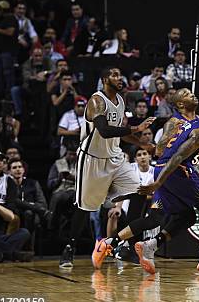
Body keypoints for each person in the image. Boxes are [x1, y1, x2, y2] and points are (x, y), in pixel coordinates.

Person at [59, 67, 155, 268]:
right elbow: (103, 130)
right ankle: (69, 247)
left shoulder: (120, 101)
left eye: (120, 74)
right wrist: (136, 128)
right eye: (114, 75)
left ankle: (126, 245)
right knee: (84, 208)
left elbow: (119, 132)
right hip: (92, 159)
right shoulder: (96, 101)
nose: (119, 78)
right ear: (104, 79)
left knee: (140, 192)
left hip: (114, 157)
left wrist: (141, 144)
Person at [135, 97, 199, 275]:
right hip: (174, 170)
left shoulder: (192, 125)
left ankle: (151, 245)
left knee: (187, 216)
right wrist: (157, 183)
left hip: (165, 168)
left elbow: (192, 161)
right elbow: (178, 157)